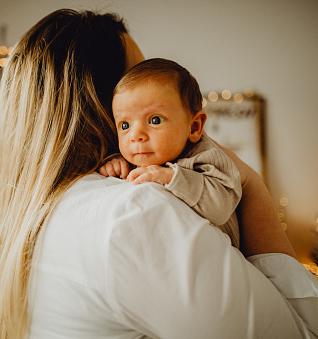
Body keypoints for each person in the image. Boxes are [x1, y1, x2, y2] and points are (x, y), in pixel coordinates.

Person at [0, 8, 318, 339]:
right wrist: (250, 182)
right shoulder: (133, 213)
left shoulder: (50, 207)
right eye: (137, 80)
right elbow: (300, 334)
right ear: (104, 109)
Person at [99, 58, 241, 248]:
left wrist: (171, 177)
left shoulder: (205, 156)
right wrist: (115, 163)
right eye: (125, 125)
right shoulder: (139, 157)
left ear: (194, 126)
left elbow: (221, 208)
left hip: (217, 252)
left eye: (155, 120)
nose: (135, 135)